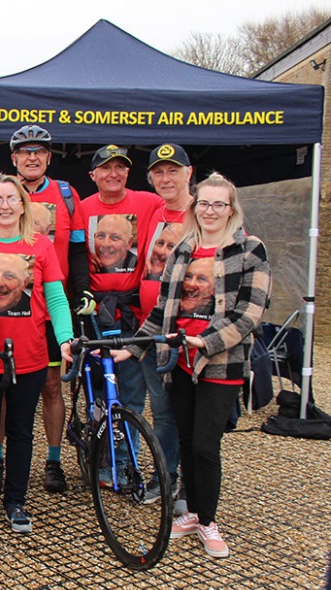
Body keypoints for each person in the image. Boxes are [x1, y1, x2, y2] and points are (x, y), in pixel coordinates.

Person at [116, 173, 270, 559]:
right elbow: (160, 311)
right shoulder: (183, 249)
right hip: (179, 359)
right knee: (185, 438)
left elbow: (251, 313)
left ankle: (207, 520)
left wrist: (210, 341)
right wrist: (134, 349)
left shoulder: (249, 250)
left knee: (205, 443)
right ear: (195, 206)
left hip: (221, 362)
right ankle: (192, 509)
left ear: (231, 209)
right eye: (204, 203)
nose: (211, 211)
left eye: (219, 204)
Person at [0, 174, 73, 531]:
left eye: (12, 198)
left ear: (23, 204)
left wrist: (66, 337)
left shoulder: (40, 246)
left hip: (30, 356)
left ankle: (15, 500)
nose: (5, 205)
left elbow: (55, 297)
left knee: (21, 431)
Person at [9, 125, 89, 494]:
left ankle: (53, 460)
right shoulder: (2, 194)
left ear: (48, 157)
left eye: (38, 151)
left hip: (50, 304)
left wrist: (82, 292)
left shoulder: (66, 195)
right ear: (14, 159)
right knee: (5, 384)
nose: (31, 157)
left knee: (52, 386)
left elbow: (75, 250)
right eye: (25, 152)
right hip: (8, 306)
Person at [75, 144, 164, 446]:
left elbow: (188, 213)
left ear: (128, 172)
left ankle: (128, 463)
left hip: (132, 310)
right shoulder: (82, 208)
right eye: (105, 168)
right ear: (93, 175)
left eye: (119, 167)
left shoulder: (150, 202)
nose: (112, 174)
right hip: (95, 312)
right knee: (98, 392)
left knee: (131, 389)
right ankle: (101, 458)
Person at [134, 143, 194, 505]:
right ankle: (166, 475)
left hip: (184, 332)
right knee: (161, 409)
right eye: (159, 172)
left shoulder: (202, 214)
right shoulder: (156, 212)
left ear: (189, 173)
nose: (166, 178)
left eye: (173, 170)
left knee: (186, 410)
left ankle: (190, 483)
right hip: (150, 328)